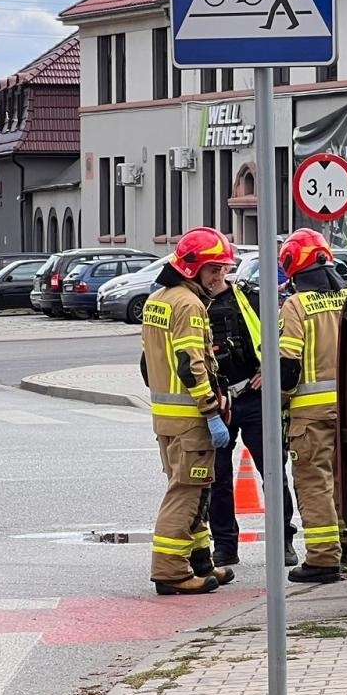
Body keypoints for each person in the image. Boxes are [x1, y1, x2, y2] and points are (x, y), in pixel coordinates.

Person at [142, 227, 237, 596]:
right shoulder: (189, 305)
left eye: (223, 269)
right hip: (191, 419)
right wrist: (211, 410)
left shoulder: (158, 300)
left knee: (196, 491)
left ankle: (200, 561)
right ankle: (171, 571)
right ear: (191, 268)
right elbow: (190, 363)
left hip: (167, 416)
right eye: (214, 269)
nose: (220, 277)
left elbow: (148, 363)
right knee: (186, 491)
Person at [206, 273, 300, 568]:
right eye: (208, 268)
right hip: (217, 402)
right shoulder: (194, 303)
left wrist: (268, 368)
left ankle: (283, 540)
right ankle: (224, 545)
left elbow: (279, 338)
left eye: (217, 268)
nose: (212, 275)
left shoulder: (249, 299)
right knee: (217, 477)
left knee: (273, 472)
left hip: (253, 398)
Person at [278, 228, 347, 583]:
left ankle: (322, 559)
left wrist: (277, 401)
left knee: (313, 481)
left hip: (310, 414)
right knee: (343, 481)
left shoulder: (297, 305)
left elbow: (287, 366)